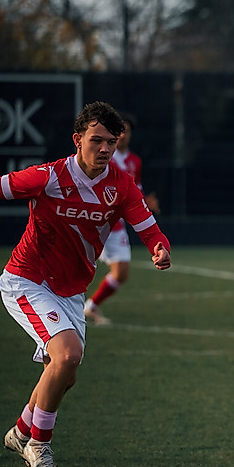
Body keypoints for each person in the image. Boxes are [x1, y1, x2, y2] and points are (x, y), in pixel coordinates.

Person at [0, 101, 171, 467]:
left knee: (64, 373)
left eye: (111, 143)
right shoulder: (47, 177)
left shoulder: (122, 185)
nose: (104, 149)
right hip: (27, 281)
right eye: (96, 140)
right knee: (67, 354)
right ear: (77, 139)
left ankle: (20, 431)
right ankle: (39, 445)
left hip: (70, 291)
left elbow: (149, 230)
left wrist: (159, 248)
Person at [84, 112, 160, 326]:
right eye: (120, 131)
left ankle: (91, 306)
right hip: (97, 221)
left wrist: (146, 202)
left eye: (127, 131)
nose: (123, 135)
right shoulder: (104, 156)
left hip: (117, 225)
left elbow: (134, 191)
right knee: (76, 268)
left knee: (122, 272)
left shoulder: (135, 161)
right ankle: (64, 307)